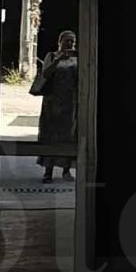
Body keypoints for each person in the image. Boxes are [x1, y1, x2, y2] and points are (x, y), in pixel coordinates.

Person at [31, 30, 79, 180]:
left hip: (70, 102)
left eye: (72, 41)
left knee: (69, 135)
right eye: (67, 40)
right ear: (60, 42)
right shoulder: (51, 56)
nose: (69, 44)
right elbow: (45, 73)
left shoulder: (76, 59)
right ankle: (48, 170)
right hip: (52, 102)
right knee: (50, 135)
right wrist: (58, 60)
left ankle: (66, 169)